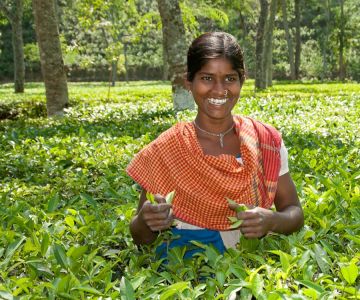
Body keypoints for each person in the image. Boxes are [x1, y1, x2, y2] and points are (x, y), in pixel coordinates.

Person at [127, 32, 304, 258]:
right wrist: (146, 220)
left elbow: (295, 212)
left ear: (242, 81)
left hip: (243, 265)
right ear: (189, 82)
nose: (220, 90)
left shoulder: (265, 140)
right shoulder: (168, 148)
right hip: (181, 270)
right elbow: (140, 238)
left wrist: (272, 221)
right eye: (207, 78)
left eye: (230, 78)